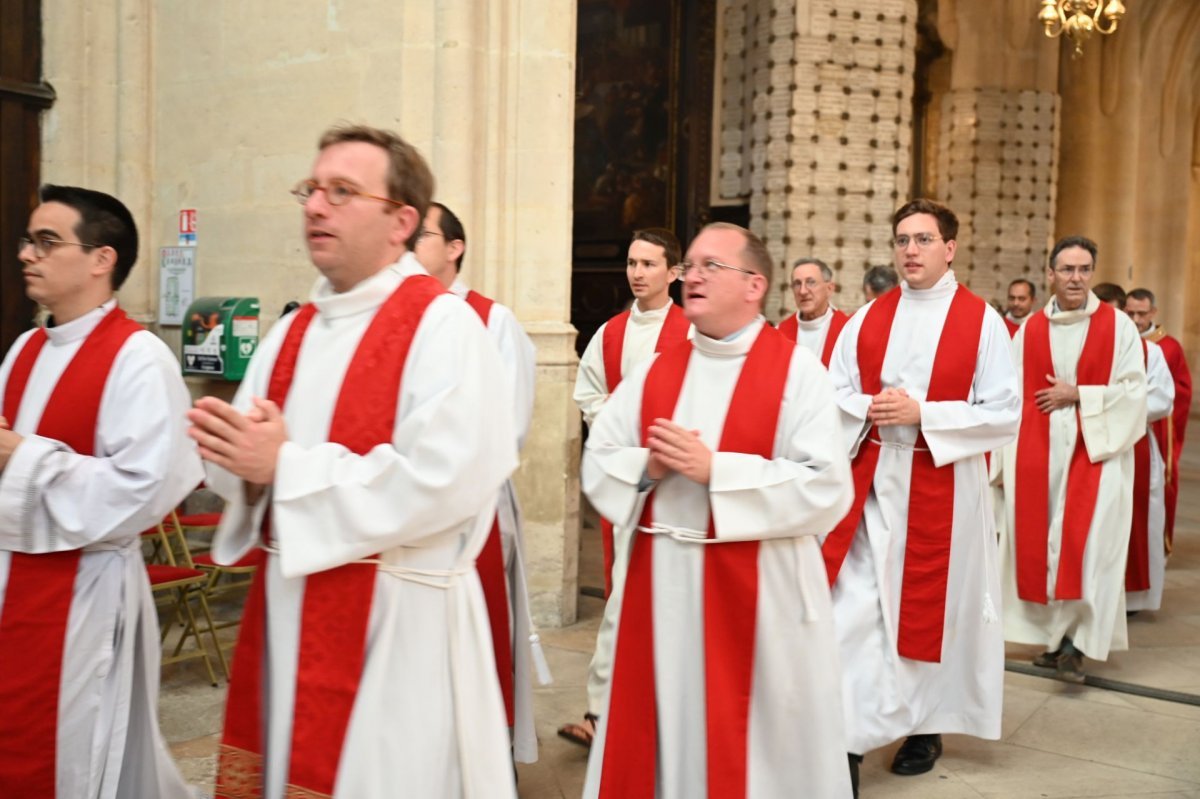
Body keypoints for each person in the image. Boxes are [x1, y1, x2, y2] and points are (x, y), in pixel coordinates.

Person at [188, 124, 519, 798]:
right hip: (288, 604)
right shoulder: (294, 330)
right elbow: (253, 466)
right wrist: (233, 455)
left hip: (397, 624)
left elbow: (445, 478)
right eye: (311, 189)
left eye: (342, 192)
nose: (314, 206)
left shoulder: (444, 325)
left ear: (402, 220)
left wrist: (286, 467)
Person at [582, 222, 854, 797]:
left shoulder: (797, 372)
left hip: (761, 596)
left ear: (754, 285)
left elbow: (828, 487)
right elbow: (600, 459)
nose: (692, 275)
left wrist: (718, 472)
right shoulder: (657, 369)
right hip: (662, 593)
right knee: (661, 731)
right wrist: (648, 469)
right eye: (691, 265)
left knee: (751, 748)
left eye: (711, 265)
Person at [0, 185, 201, 798]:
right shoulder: (26, 349)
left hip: (86, 589)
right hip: (13, 578)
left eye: (46, 241)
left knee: (78, 753)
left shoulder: (139, 359)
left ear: (101, 258)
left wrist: (27, 458)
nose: (27, 255)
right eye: (27, 241)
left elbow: (147, 488)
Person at [824, 199, 1020, 788]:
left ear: (950, 248)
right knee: (851, 615)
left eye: (924, 239)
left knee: (938, 616)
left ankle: (927, 724)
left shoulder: (981, 321)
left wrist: (923, 413)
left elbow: (1004, 411)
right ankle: (846, 742)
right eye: (903, 240)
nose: (910, 250)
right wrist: (872, 408)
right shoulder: (867, 319)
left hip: (944, 486)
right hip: (876, 484)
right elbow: (834, 390)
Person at [414, 200, 544, 763]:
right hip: (410, 515)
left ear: (454, 248)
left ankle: (487, 759)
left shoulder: (494, 320)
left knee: (481, 635)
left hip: (475, 507)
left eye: (421, 235)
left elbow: (508, 424)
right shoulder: (397, 317)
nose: (408, 245)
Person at [559, 227, 690, 749]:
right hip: (627, 482)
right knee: (620, 600)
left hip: (675, 484)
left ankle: (662, 716)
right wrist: (614, 420)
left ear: (674, 273)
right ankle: (601, 712)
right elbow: (587, 390)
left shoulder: (691, 332)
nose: (637, 273)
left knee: (669, 603)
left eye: (649, 264)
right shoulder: (611, 332)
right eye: (632, 263)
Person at [1001, 236, 1147, 682]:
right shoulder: (1030, 330)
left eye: (1085, 269)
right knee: (1045, 545)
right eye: (1067, 269)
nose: (1076, 278)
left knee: (1090, 549)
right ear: (1051, 274)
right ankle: (1052, 640)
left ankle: (1077, 643)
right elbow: (1009, 392)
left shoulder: (1118, 326)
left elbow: (1134, 392)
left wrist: (1077, 394)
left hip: (1096, 454)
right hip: (1038, 456)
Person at [1126, 288, 1192, 550]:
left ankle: (1158, 542)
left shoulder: (1168, 347)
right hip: (1126, 424)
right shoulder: (1120, 338)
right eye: (1130, 312)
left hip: (1159, 427)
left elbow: (1181, 392)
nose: (1135, 319)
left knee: (1158, 488)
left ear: (1153, 312)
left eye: (1141, 313)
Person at [777, 256, 849, 366]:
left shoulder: (847, 330)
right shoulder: (780, 333)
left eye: (811, 282)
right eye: (797, 284)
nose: (803, 291)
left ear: (829, 289)